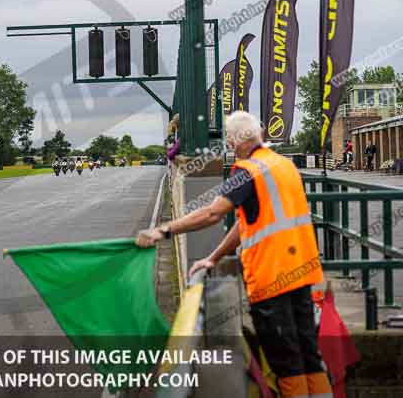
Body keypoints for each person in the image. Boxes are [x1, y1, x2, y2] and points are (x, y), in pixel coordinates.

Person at [136, 111, 332, 398]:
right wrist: (213, 257)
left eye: (229, 137)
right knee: (308, 356)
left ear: (238, 139)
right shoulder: (284, 165)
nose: (227, 143)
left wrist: (163, 231)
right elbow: (248, 223)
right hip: (302, 275)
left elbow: (212, 212)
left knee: (286, 362)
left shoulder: (246, 172)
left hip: (272, 281)